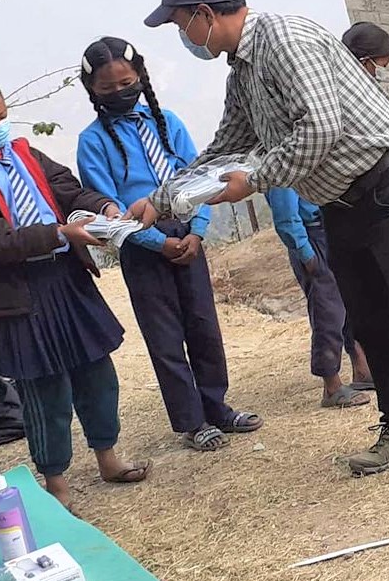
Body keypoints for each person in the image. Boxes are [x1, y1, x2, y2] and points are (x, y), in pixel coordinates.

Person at [134, 0, 389, 503]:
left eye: (180, 24)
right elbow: (228, 143)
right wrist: (163, 196)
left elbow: (320, 127)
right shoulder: (243, 69)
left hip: (388, 183)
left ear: (203, 14)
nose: (183, 37)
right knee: (372, 319)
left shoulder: (286, 40)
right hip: (341, 199)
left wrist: (257, 180)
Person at [0, 73, 147, 498]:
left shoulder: (22, 152)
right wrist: (62, 234)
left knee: (97, 373)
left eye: (2, 115)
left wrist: (102, 207)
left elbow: (67, 189)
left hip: (66, 280)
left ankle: (107, 455)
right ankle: (56, 479)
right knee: (44, 392)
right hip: (19, 296)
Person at [75, 37, 261, 453]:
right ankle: (191, 421)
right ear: (92, 91)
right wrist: (157, 242)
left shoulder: (168, 121)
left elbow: (202, 176)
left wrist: (197, 231)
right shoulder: (93, 142)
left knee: (203, 327)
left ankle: (217, 406)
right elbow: (113, 210)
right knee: (165, 336)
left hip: (189, 236)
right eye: (108, 89)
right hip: (142, 250)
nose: (121, 92)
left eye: (127, 82)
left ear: (140, 76)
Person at [265, 186, 372, 407]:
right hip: (311, 237)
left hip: (330, 228)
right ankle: (331, 386)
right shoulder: (284, 165)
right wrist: (305, 251)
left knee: (349, 302)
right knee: (327, 311)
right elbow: (285, 213)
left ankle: (362, 369)